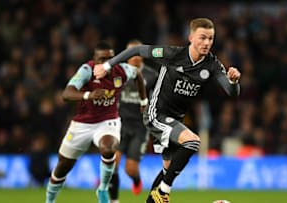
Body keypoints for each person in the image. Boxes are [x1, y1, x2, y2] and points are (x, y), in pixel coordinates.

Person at [94, 18, 241, 203]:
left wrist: (234, 82)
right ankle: (163, 191)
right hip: (156, 113)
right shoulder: (172, 54)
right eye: (202, 37)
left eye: (210, 38)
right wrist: (107, 66)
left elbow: (231, 92)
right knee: (193, 142)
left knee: (168, 169)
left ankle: (157, 195)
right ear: (191, 37)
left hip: (175, 120)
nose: (207, 43)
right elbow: (136, 50)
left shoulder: (211, 64)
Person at [45, 42, 147, 203]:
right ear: (94, 59)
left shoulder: (121, 70)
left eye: (109, 59)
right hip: (82, 125)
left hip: (108, 121)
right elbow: (66, 94)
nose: (106, 63)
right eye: (102, 59)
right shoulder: (86, 70)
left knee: (108, 148)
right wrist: (88, 95)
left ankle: (103, 189)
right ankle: (49, 201)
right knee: (61, 169)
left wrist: (143, 101)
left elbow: (138, 75)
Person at [109, 39, 159, 203]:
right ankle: (113, 197)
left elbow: (159, 100)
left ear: (142, 55)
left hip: (140, 127)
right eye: (131, 53)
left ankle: (136, 180)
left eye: (137, 53)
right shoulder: (118, 73)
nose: (134, 57)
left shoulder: (152, 75)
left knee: (130, 169)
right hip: (120, 124)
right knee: (113, 162)